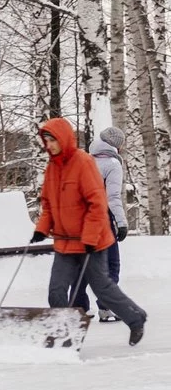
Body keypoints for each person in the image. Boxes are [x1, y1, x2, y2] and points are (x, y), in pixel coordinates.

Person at [30, 118, 147, 346]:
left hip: (91, 240)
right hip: (65, 241)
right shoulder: (53, 168)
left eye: (52, 140)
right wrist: (42, 228)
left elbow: (98, 203)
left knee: (102, 288)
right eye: (46, 141)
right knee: (56, 290)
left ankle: (135, 318)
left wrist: (92, 237)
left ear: (63, 139)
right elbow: (49, 203)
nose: (49, 145)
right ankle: (63, 334)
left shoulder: (84, 162)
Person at [71, 126, 128, 321]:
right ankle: (106, 308)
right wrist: (121, 223)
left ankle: (77, 309)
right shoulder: (112, 164)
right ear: (115, 145)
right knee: (110, 265)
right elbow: (112, 198)